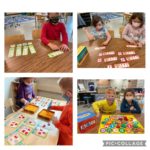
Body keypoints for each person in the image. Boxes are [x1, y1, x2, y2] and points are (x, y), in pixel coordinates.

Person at [49, 78, 72, 145]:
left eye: (61, 90)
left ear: (68, 93)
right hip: (61, 134)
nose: (61, 92)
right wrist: (53, 107)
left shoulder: (72, 110)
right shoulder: (70, 102)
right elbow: (65, 108)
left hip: (65, 141)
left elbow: (71, 131)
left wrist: (57, 123)